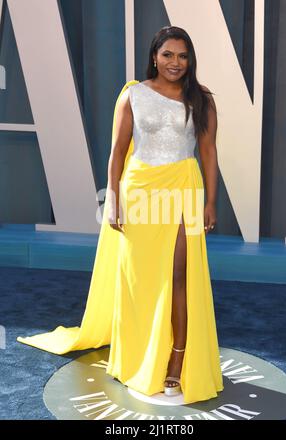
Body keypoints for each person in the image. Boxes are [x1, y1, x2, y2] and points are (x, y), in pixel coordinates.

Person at [17, 26, 224, 404]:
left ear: (190, 59)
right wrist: (113, 199)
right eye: (168, 55)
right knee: (137, 280)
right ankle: (136, 359)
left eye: (182, 55)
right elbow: (118, 151)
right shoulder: (133, 94)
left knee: (180, 276)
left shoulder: (202, 98)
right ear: (154, 56)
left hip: (183, 189)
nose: (175, 63)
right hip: (140, 191)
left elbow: (208, 152)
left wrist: (211, 202)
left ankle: (176, 363)